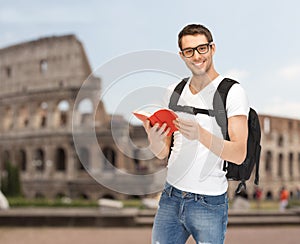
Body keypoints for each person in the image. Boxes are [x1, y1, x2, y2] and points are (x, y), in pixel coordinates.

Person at [143, 24, 249, 244]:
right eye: (189, 51)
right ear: (182, 56)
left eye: (202, 48)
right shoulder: (173, 92)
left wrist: (201, 134)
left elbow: (239, 154)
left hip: (209, 202)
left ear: (212, 48)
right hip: (170, 197)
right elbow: (163, 153)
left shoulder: (232, 92)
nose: (197, 56)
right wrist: (153, 140)